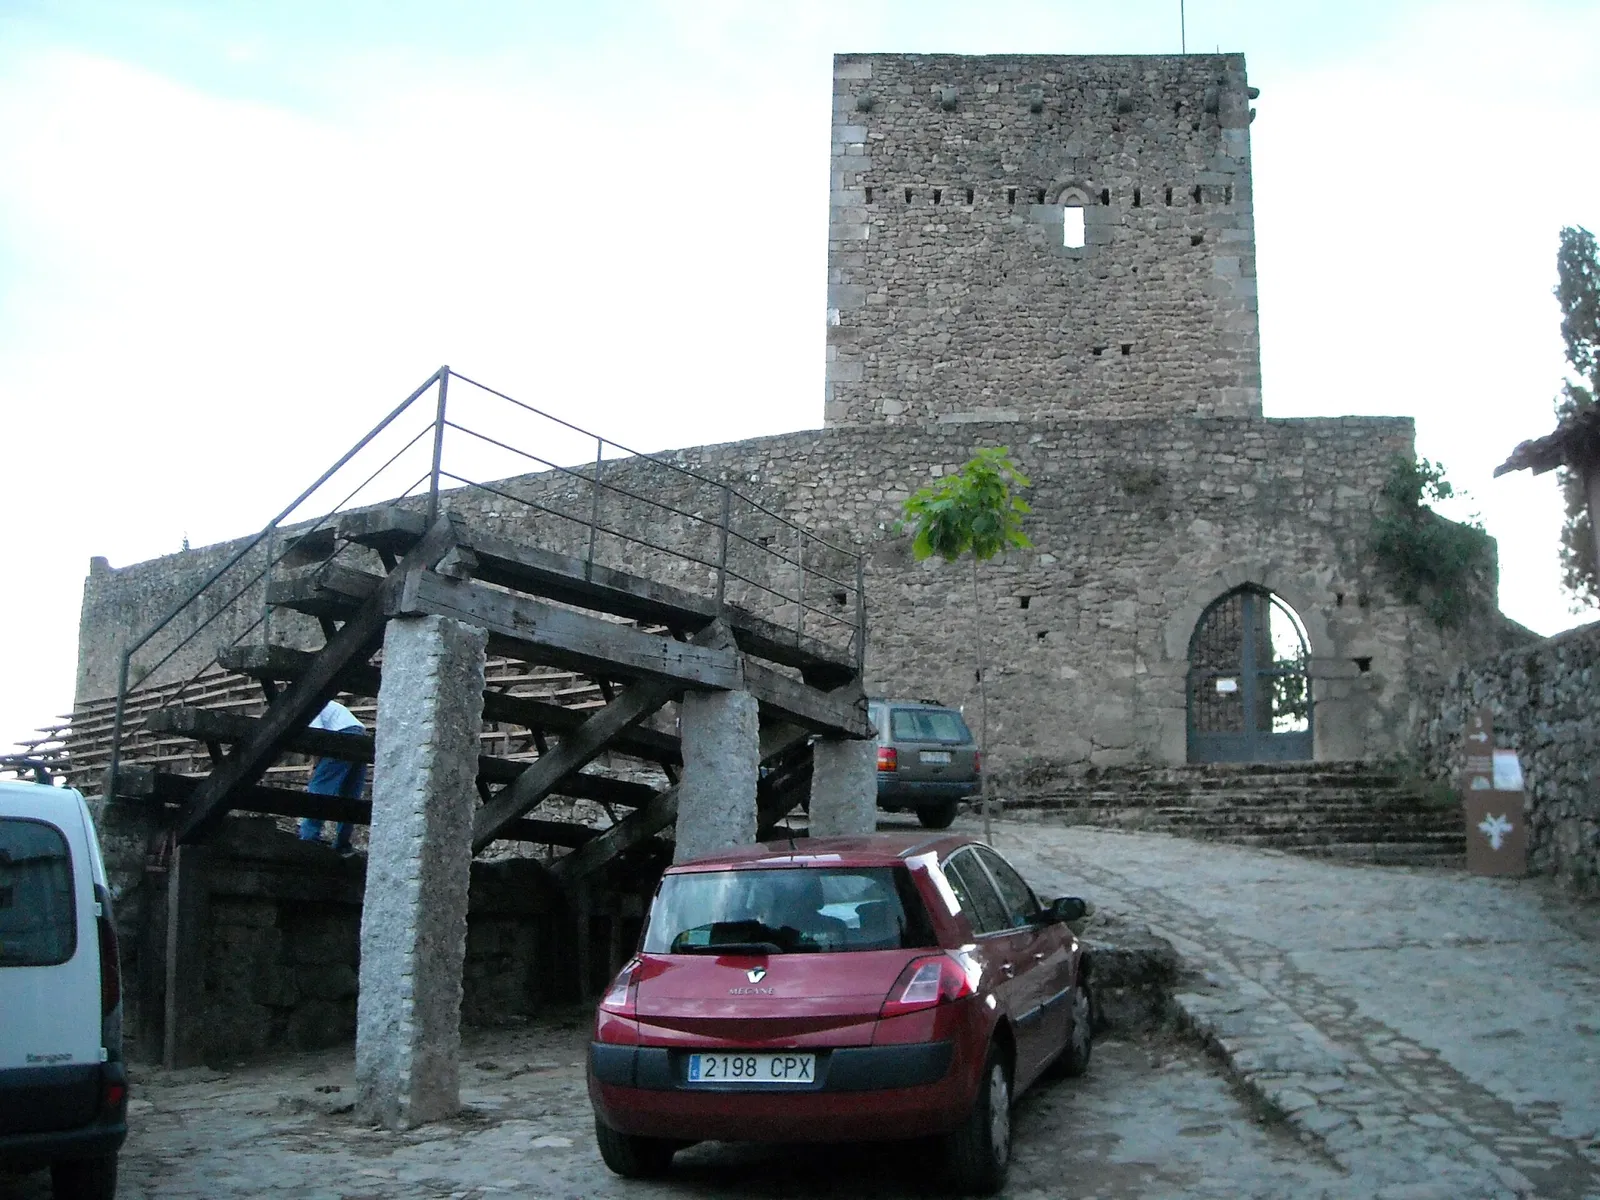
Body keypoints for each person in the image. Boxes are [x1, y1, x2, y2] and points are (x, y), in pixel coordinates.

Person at [298, 700, 366, 854]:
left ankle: (308, 837)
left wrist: (315, 767)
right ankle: (342, 842)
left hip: (342, 735)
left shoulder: (307, 705)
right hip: (361, 736)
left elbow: (319, 737)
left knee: (319, 786)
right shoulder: (327, 704)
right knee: (349, 793)